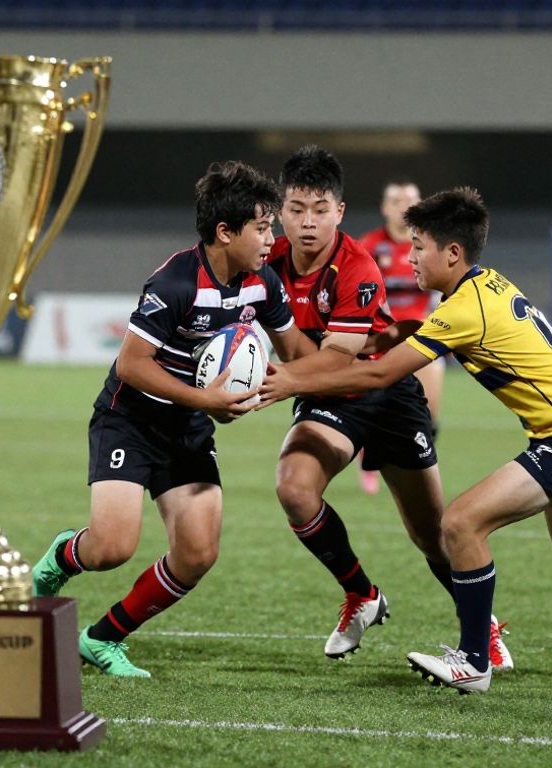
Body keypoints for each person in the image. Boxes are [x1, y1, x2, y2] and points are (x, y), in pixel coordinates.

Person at [262, 187, 552, 693]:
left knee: (462, 523)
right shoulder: (483, 286)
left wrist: (290, 380)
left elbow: (379, 378)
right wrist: (397, 332)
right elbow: (428, 336)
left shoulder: (463, 310)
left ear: (452, 252)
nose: (411, 256)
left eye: (419, 246)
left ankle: (474, 660)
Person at [29, 161, 314, 678]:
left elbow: (297, 351)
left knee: (198, 552)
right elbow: (130, 365)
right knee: (112, 547)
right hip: (131, 420)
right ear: (225, 232)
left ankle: (102, 638)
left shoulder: (263, 282)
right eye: (263, 227)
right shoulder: (177, 280)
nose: (274, 238)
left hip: (187, 427)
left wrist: (323, 371)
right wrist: (207, 400)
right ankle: (63, 556)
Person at [262, 147, 511, 671]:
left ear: (341, 212)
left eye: (320, 209)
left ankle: (482, 629)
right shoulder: (266, 264)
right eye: (297, 209)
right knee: (294, 487)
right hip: (327, 398)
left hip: (384, 394)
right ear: (279, 211)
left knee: (432, 533)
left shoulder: (357, 265)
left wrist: (278, 379)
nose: (308, 222)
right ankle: (362, 595)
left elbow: (338, 358)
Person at [356, 179, 444, 495]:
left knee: (430, 413)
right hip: (381, 340)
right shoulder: (368, 246)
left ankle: (417, 462)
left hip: (423, 338)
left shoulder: (433, 246)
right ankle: (369, 458)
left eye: (410, 199)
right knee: (375, 405)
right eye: (396, 200)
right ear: (385, 207)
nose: (403, 205)